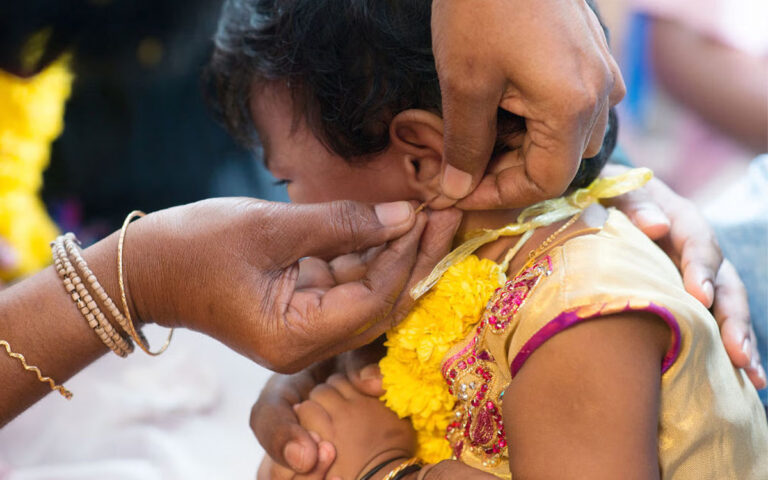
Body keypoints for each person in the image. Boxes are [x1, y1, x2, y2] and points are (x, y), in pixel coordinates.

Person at [201, 0, 768, 477]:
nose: (287, 208)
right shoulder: (446, 263)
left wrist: (379, 468)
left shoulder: (578, 313)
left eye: (287, 181)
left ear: (423, 158)